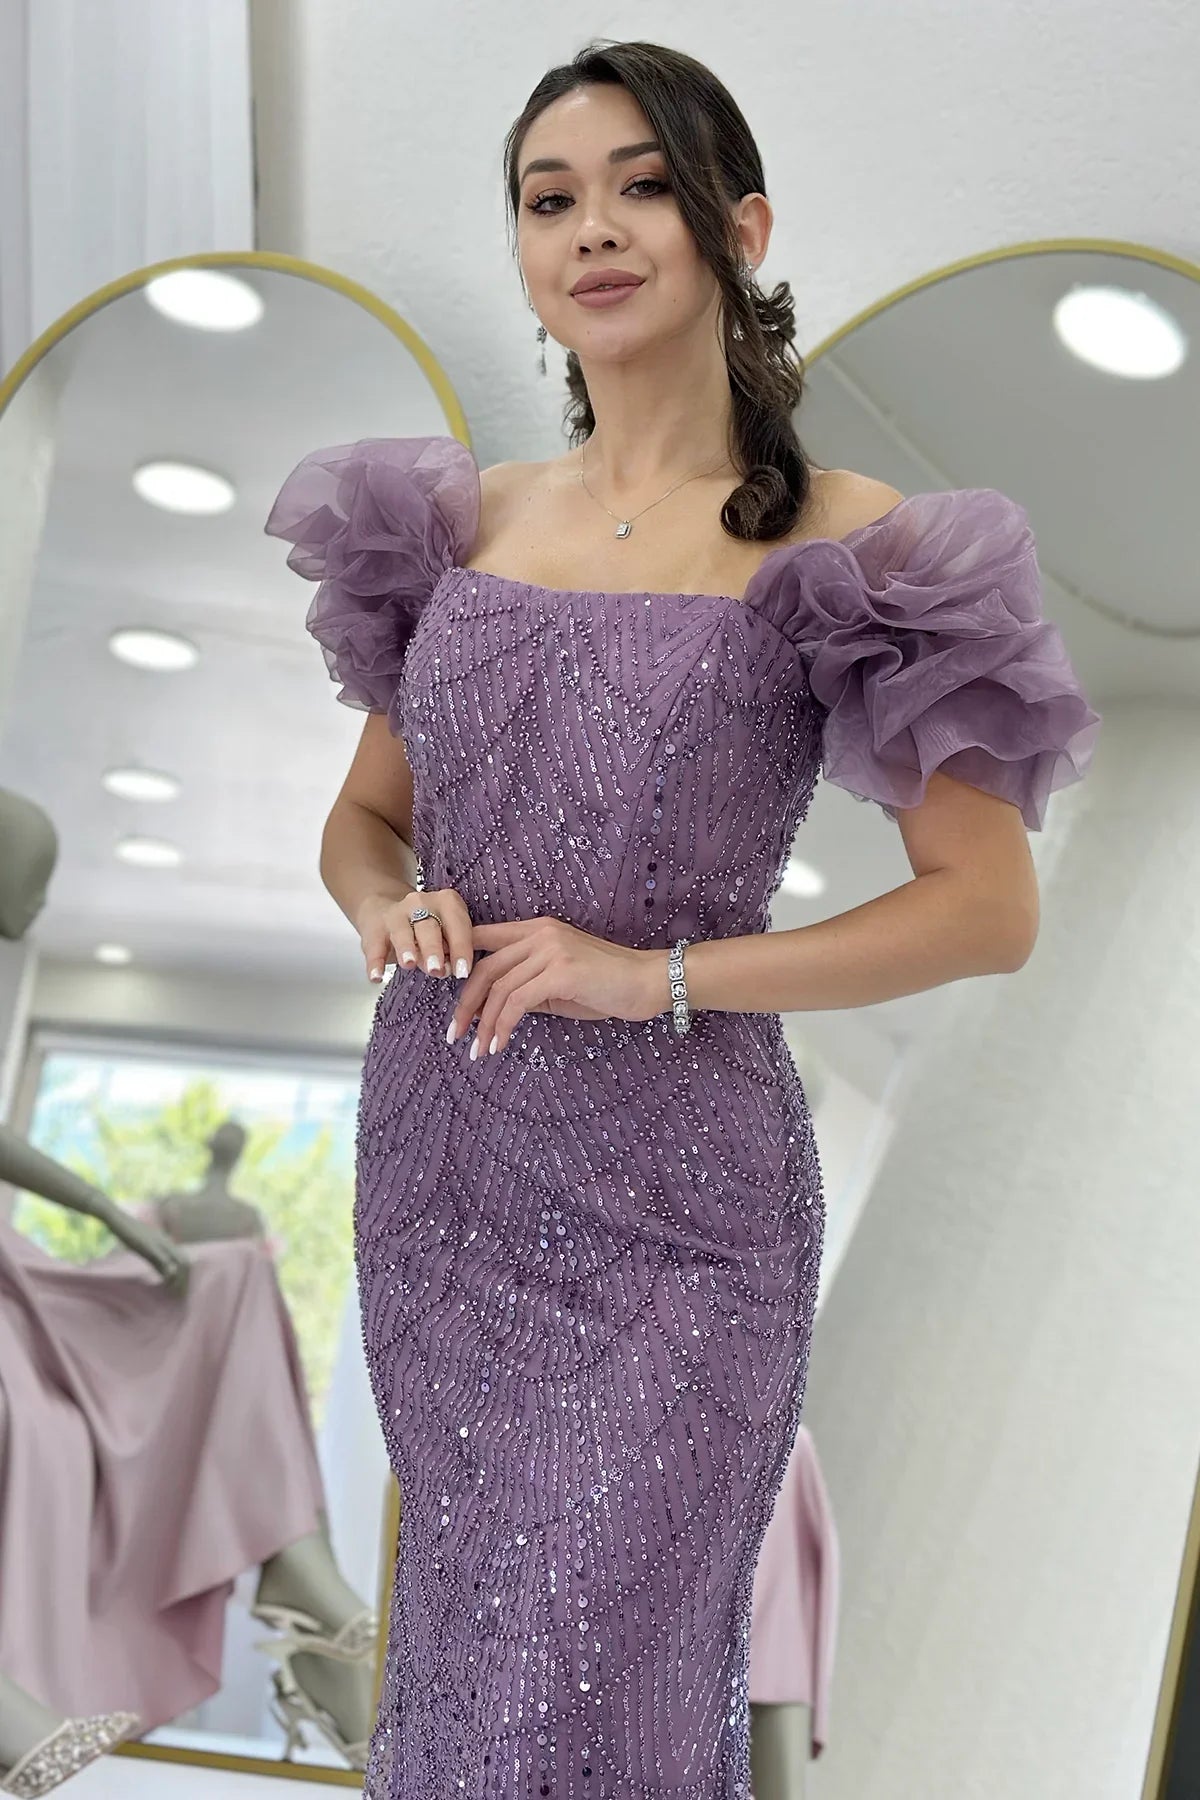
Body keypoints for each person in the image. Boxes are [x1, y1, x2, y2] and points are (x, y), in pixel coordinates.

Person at [264, 39, 1101, 1800]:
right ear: (520, 248)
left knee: (600, 1675)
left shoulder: (855, 545)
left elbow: (988, 910)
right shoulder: (456, 527)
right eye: (549, 199)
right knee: (475, 1661)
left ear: (742, 227)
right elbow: (361, 821)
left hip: (684, 1224)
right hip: (446, 1179)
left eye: (642, 186)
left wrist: (648, 974)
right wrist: (386, 906)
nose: (594, 229)